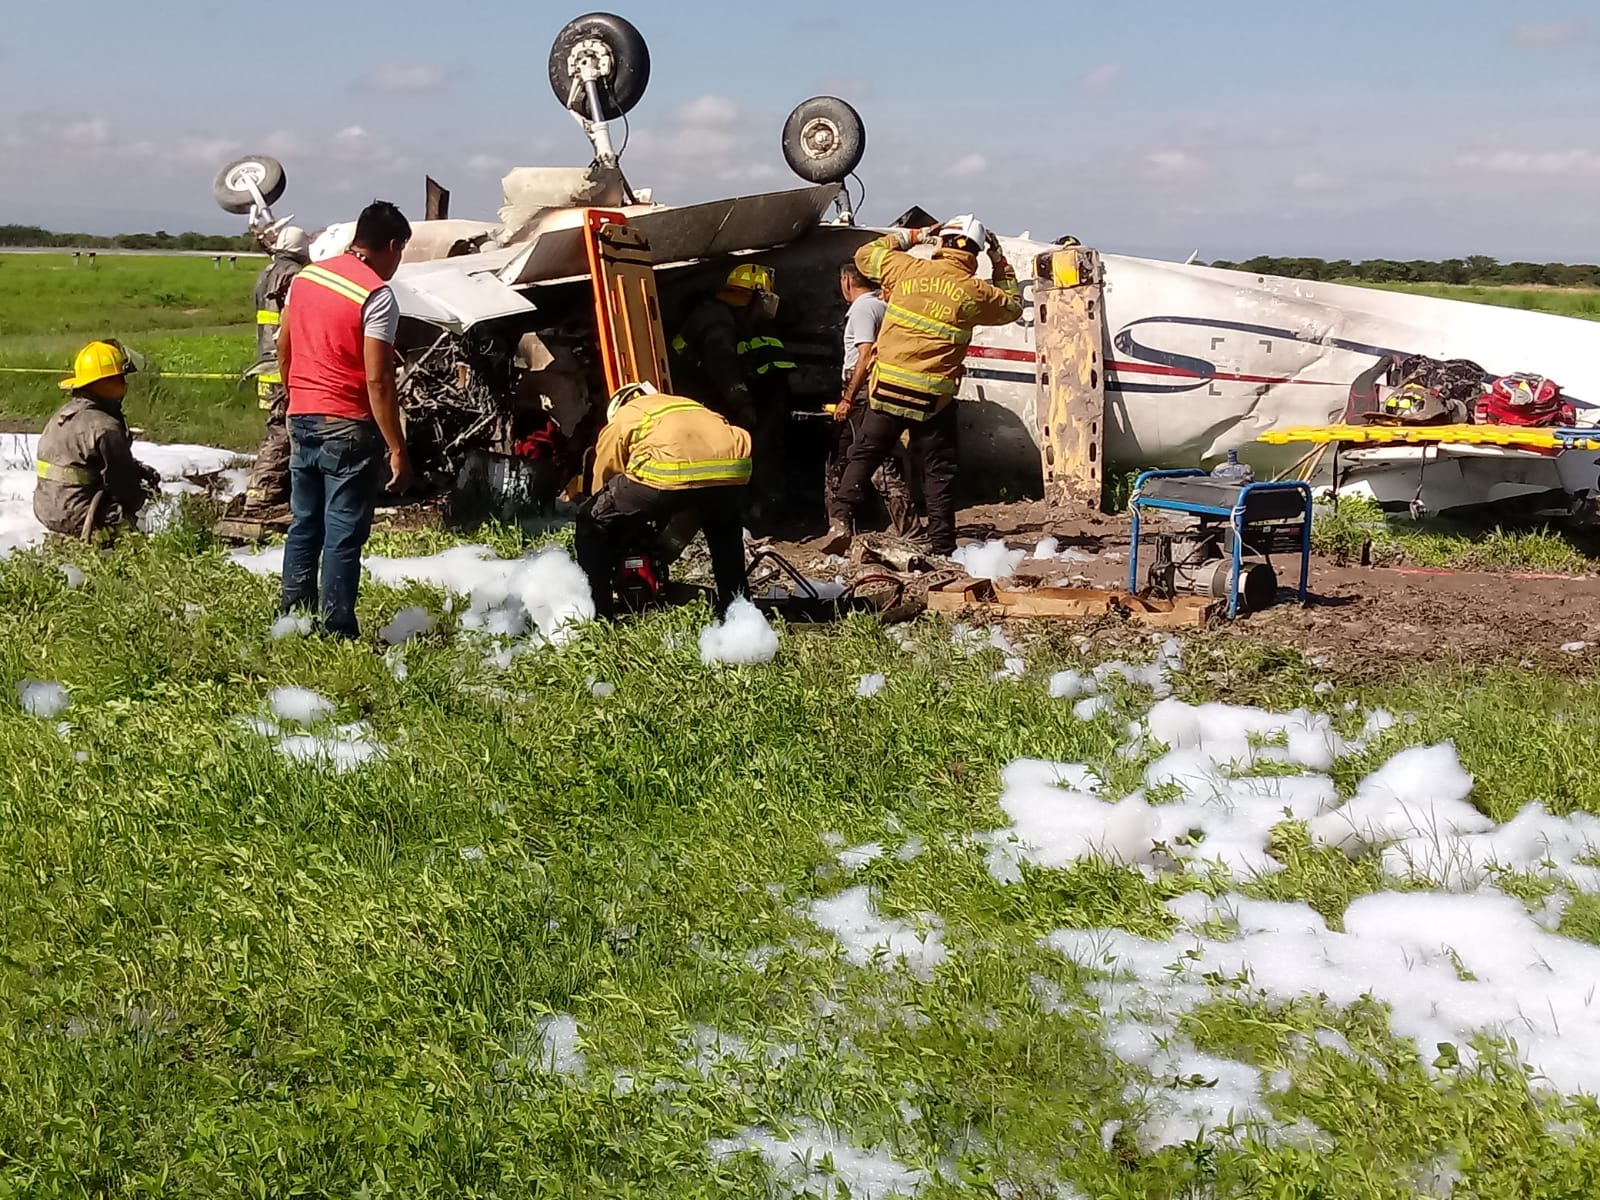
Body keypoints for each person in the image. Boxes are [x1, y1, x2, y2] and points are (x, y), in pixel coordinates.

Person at [835, 216, 1022, 557]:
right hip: (932, 400)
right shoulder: (974, 292)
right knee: (938, 471)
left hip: (887, 389)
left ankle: (839, 519)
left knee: (864, 454)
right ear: (975, 253)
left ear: (942, 242)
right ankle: (941, 546)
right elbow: (1012, 306)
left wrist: (917, 234)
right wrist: (1000, 261)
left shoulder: (905, 269)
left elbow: (865, 255)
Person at [276, 200, 414, 640]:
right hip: (348, 424)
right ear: (391, 246)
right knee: (342, 533)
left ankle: (292, 618)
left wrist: (295, 395)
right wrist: (397, 447)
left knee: (304, 523)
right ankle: (337, 629)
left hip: (302, 415)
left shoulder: (305, 278)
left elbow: (285, 348)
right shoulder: (376, 294)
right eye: (400, 252)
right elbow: (378, 380)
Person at [575, 381, 752, 620]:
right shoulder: (686, 405)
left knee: (591, 519)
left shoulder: (627, 413)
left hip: (668, 472)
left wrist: (602, 508)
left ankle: (598, 614)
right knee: (724, 530)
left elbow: (605, 473)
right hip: (732, 471)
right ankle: (738, 611)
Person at [670, 263, 795, 524]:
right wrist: (743, 403)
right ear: (753, 296)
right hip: (701, 401)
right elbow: (722, 366)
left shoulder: (725, 315)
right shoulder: (718, 321)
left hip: (704, 396)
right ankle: (733, 517)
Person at [34, 339, 162, 542]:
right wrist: (143, 496)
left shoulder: (63, 415)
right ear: (108, 384)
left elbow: (80, 461)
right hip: (78, 515)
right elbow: (123, 485)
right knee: (132, 532)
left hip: (46, 508)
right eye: (120, 379)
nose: (123, 385)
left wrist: (137, 468)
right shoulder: (105, 426)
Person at [823, 260, 914, 545]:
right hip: (877, 387)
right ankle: (840, 524)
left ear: (846, 281)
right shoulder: (883, 305)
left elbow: (865, 354)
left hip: (862, 390)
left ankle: (906, 527)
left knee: (874, 460)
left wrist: (848, 397)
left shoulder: (863, 308)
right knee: (844, 457)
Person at [237, 224, 311, 521]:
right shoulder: (294, 275)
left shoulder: (266, 273)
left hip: (265, 361)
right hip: (282, 364)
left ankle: (280, 489)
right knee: (281, 430)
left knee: (279, 426)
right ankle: (261, 497)